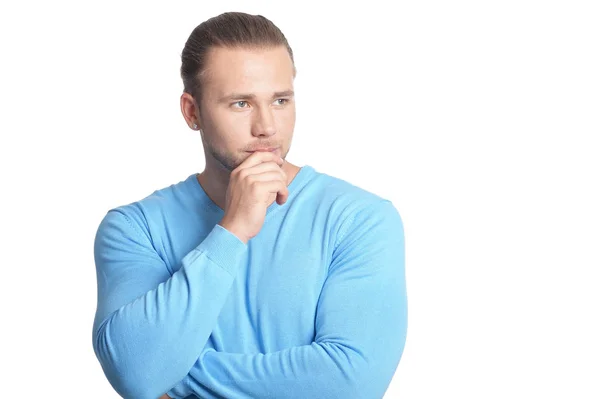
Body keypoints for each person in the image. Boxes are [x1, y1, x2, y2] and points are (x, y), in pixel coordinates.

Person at [92, 11, 407, 399]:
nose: (267, 127)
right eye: (241, 104)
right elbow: (136, 372)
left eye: (280, 100)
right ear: (193, 112)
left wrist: (177, 373)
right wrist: (233, 229)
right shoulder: (134, 228)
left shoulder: (360, 220)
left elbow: (350, 382)